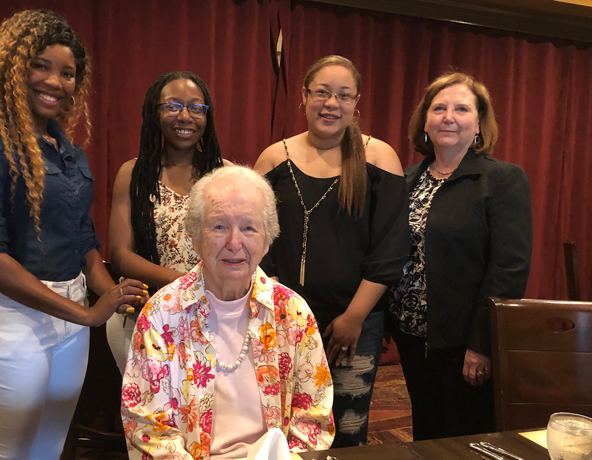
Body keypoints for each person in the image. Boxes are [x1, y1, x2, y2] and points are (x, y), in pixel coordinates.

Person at [0, 10, 147, 459]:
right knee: (7, 456)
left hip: (70, 318)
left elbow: (84, 244)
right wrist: (92, 316)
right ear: (14, 68)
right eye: (41, 65)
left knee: (47, 451)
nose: (55, 81)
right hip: (13, 324)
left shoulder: (69, 152)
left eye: (68, 73)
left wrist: (110, 296)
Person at [121, 166, 335, 460]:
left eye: (249, 227)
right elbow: (148, 430)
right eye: (219, 226)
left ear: (267, 240)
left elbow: (313, 421)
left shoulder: (292, 313)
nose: (234, 244)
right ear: (196, 237)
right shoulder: (161, 315)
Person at [254, 55, 409, 447]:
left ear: (357, 103)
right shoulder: (274, 159)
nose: (331, 103)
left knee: (346, 426)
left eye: (343, 95)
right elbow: (258, 242)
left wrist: (354, 317)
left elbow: (390, 249)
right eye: (321, 92)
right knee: (284, 422)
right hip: (285, 321)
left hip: (355, 323)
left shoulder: (379, 158)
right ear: (304, 98)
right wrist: (282, 312)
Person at [387, 71, 532, 440]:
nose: (448, 116)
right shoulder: (407, 179)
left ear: (479, 124)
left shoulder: (502, 179)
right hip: (411, 334)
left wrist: (481, 345)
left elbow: (509, 268)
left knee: (466, 437)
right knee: (426, 428)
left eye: (462, 109)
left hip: (462, 341)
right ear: (424, 121)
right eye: (438, 108)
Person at [107, 71, 227, 374]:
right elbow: (120, 255)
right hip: (146, 314)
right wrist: (183, 283)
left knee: (205, 412)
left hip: (211, 314)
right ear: (154, 113)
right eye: (172, 106)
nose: (184, 116)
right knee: (152, 414)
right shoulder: (132, 174)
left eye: (196, 108)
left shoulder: (224, 175)